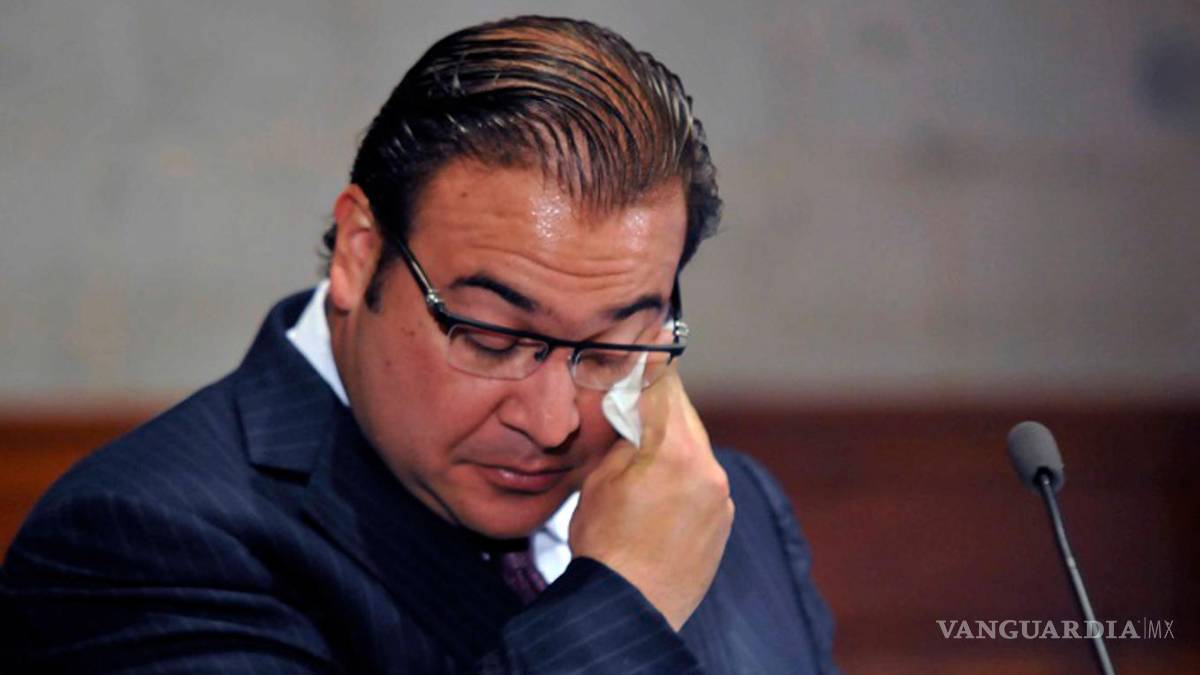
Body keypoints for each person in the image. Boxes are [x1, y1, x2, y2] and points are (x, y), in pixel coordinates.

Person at [1, 15, 837, 674]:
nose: (552, 422)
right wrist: (622, 602)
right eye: (494, 337)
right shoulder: (140, 542)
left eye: (613, 347)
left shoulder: (730, 509)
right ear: (360, 252)